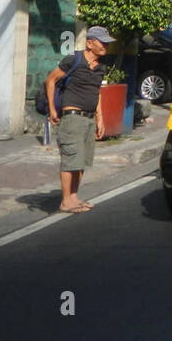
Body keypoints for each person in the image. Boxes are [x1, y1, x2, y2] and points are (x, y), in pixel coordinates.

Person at [44, 26, 115, 213]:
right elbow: (50, 80)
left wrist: (100, 118)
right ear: (90, 43)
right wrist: (52, 109)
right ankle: (65, 201)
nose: (106, 46)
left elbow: (96, 92)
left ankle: (74, 197)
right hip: (72, 118)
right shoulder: (73, 60)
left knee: (81, 160)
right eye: (102, 42)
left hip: (89, 118)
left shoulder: (101, 68)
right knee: (70, 158)